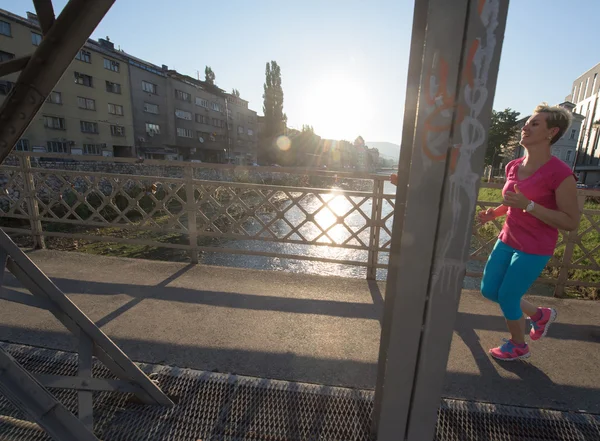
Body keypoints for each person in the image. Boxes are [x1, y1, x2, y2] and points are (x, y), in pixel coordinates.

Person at [478, 103, 580, 361]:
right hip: (507, 239)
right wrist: (494, 213)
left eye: (535, 123)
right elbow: (513, 200)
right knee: (490, 291)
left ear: (551, 132)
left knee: (509, 296)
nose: (526, 127)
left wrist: (530, 206)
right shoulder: (513, 165)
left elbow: (570, 221)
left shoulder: (561, 173)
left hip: (534, 248)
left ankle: (518, 345)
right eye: (527, 122)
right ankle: (539, 315)